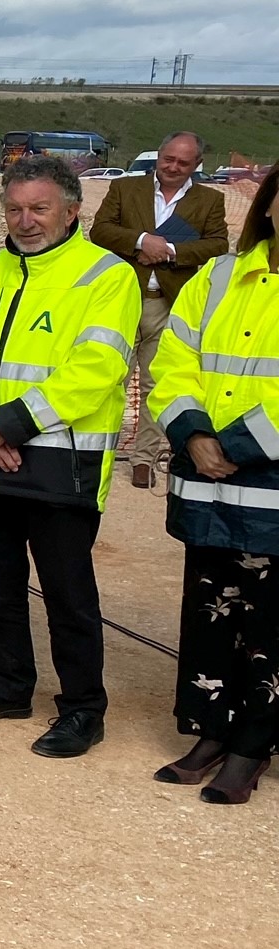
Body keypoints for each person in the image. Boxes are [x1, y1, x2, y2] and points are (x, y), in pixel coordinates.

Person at [0, 154, 140, 758]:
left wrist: (7, 426)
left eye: (39, 208)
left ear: (73, 210)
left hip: (59, 464)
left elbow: (96, 370)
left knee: (68, 594)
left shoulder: (106, 276)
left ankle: (81, 708)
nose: (25, 221)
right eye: (15, 208)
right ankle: (8, 686)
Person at [145, 160, 279, 803]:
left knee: (271, 621)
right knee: (211, 608)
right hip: (210, 476)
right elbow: (175, 360)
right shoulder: (220, 276)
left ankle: (254, 743)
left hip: (267, 477)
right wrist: (193, 433)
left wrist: (236, 444)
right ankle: (212, 729)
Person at [87, 131, 230, 488]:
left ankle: (144, 458)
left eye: (183, 162)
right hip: (119, 300)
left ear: (197, 165)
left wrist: (169, 250)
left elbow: (217, 245)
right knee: (106, 377)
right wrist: (140, 242)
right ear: (159, 156)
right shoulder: (125, 188)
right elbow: (100, 230)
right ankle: (92, 451)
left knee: (155, 384)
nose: (173, 167)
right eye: (168, 159)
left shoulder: (210, 200)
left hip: (167, 303)